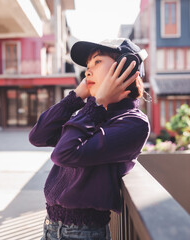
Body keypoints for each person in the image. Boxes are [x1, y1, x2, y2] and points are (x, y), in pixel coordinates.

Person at [29, 38, 150, 240]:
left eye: (97, 62)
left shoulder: (133, 123)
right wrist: (76, 97)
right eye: (87, 66)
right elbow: (38, 136)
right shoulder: (92, 112)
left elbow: (64, 154)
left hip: (83, 234)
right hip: (50, 228)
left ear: (124, 69)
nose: (87, 72)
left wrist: (98, 102)